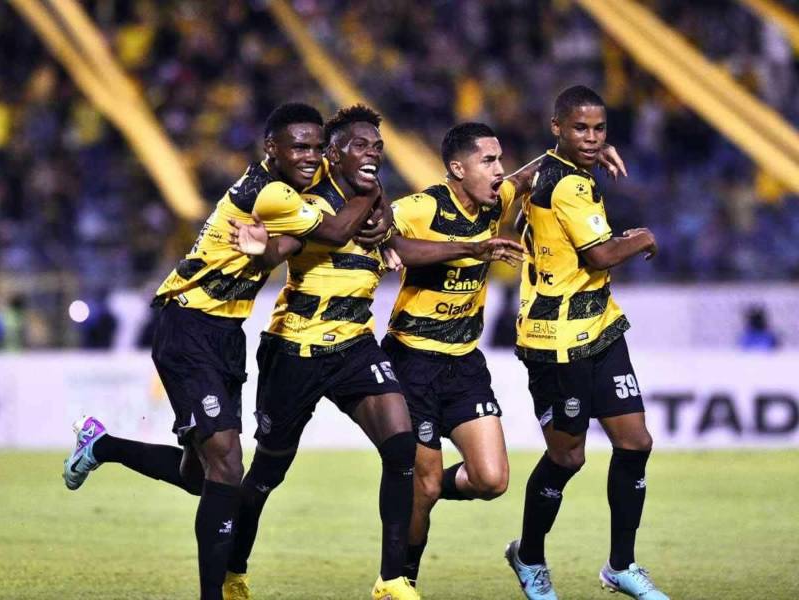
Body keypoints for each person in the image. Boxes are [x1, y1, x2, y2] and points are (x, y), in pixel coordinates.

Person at [62, 102, 384, 600]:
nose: (311, 156)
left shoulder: (294, 189)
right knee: (229, 467)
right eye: (299, 146)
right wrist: (371, 185)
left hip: (227, 332)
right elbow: (338, 230)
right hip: (188, 321)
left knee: (202, 477)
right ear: (270, 149)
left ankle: (101, 446)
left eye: (318, 148)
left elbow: (298, 242)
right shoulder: (271, 192)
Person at [222, 106, 524, 600]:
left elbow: (398, 242)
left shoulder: (378, 202)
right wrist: (263, 249)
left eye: (377, 147)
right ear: (334, 153)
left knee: (401, 448)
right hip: (294, 348)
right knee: (267, 472)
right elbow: (289, 246)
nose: (373, 154)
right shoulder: (312, 202)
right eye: (361, 146)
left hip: (355, 345)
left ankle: (392, 580)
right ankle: (234, 567)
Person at [380, 122, 626, 589]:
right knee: (426, 483)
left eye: (499, 160)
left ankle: (421, 489)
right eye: (488, 162)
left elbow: (535, 172)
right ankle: (400, 582)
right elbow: (382, 230)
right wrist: (451, 247)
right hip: (412, 361)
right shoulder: (422, 206)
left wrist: (589, 152)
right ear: (457, 168)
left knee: (491, 480)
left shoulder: (499, 198)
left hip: (464, 363)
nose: (499, 171)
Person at [505, 85, 668, 600]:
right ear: (558, 128)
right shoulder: (566, 184)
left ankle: (621, 565)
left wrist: (587, 157)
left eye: (599, 129)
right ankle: (528, 555)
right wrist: (641, 237)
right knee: (568, 458)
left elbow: (529, 178)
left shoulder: (558, 170)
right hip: (553, 340)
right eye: (581, 129)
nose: (593, 137)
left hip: (600, 328)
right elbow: (598, 256)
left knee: (635, 442)